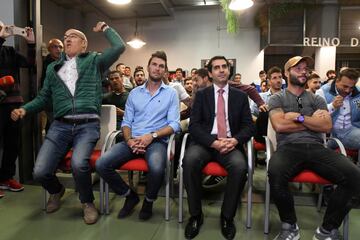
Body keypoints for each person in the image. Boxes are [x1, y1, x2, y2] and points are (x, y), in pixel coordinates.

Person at [11, 22, 125, 224]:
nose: (67, 39)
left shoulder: (93, 61)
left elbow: (119, 47)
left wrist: (106, 28)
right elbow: (44, 97)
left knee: (78, 164)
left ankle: (87, 202)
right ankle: (57, 190)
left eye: (73, 36)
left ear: (84, 44)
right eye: (65, 37)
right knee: (40, 171)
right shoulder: (53, 68)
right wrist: (25, 109)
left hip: (87, 125)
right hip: (60, 125)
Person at [267, 56, 360, 240]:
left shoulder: (316, 99)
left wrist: (299, 118)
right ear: (287, 73)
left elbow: (326, 127)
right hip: (289, 147)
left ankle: (327, 230)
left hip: (317, 147)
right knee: (275, 173)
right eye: (298, 68)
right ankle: (289, 226)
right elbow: (280, 126)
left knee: (354, 176)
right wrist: (312, 122)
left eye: (305, 68)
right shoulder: (277, 98)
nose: (303, 71)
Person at [96, 51, 180, 221]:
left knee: (156, 168)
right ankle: (130, 195)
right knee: (102, 164)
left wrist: (151, 136)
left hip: (157, 141)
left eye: (161, 66)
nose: (157, 68)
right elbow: (126, 122)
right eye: (154, 64)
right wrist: (129, 140)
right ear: (149, 67)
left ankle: (148, 201)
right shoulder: (134, 93)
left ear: (165, 71)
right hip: (132, 140)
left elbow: (174, 124)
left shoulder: (171, 94)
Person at [182, 56, 255, 240]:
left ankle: (226, 217)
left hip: (231, 143)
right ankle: (195, 215)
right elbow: (194, 126)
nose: (221, 70)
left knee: (239, 167)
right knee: (189, 161)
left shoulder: (240, 96)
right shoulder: (202, 95)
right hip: (206, 143)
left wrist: (235, 141)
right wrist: (212, 142)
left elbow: (248, 126)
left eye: (224, 67)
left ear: (229, 70)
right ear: (210, 73)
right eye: (216, 68)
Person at [0, 22, 35, 197]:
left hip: (13, 104)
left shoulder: (10, 51)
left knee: (12, 144)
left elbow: (29, 63)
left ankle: (6, 178)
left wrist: (30, 43)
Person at [316, 68, 360, 150]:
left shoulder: (358, 93)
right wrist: (333, 106)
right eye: (345, 86)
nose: (348, 90)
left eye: (351, 87)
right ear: (337, 81)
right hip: (331, 134)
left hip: (352, 131)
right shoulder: (322, 91)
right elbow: (318, 116)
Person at [39, 38, 64, 133]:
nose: (58, 49)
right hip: (51, 102)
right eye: (55, 47)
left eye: (60, 47)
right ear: (49, 49)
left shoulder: (63, 62)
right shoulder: (46, 63)